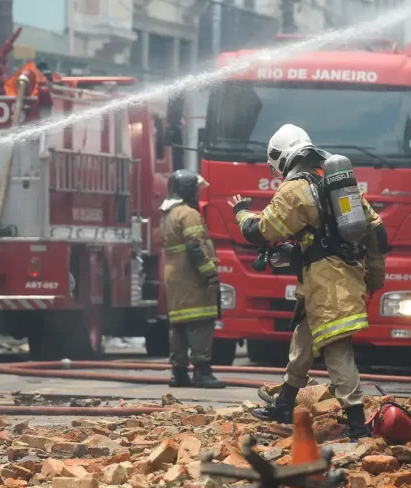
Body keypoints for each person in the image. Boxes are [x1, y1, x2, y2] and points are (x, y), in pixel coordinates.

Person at [228, 124, 387, 439]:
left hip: (326, 285)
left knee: (336, 350)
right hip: (340, 277)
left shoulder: (294, 190)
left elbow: (261, 232)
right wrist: (373, 275)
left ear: (282, 158)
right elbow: (376, 232)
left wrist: (241, 212)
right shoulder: (335, 184)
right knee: (303, 341)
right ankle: (285, 405)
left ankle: (357, 425)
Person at [160, 169, 225, 389]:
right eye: (196, 189)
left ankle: (178, 373)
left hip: (175, 276)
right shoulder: (189, 214)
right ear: (188, 190)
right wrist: (210, 274)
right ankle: (202, 371)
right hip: (192, 277)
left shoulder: (169, 213)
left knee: (178, 325)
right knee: (200, 323)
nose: (198, 193)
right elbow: (195, 248)